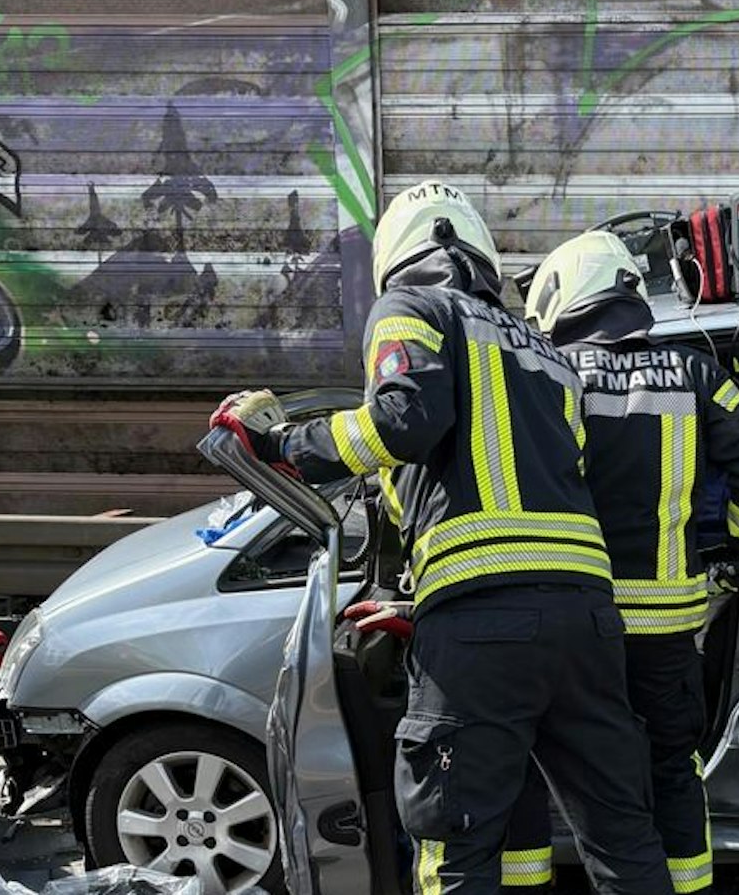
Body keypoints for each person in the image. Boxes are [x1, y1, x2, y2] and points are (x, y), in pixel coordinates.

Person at [210, 182, 672, 895]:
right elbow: (535, 488)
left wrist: (284, 445)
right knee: (623, 839)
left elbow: (404, 422)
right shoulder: (546, 351)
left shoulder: (411, 308)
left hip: (481, 632)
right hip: (585, 622)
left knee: (455, 849)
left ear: (395, 257)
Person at [506, 231, 739, 894]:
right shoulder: (696, 373)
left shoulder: (551, 373)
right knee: (670, 769)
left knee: (546, 766)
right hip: (666, 626)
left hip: (579, 621)